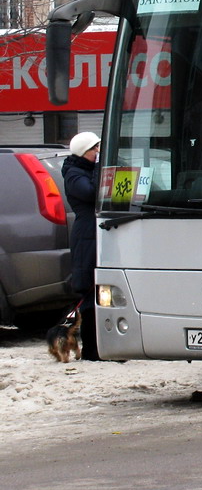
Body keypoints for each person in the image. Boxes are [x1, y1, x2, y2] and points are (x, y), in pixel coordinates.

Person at [63, 131, 101, 361]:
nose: (97, 153)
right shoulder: (75, 174)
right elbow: (90, 193)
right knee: (88, 290)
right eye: (93, 149)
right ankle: (91, 350)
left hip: (96, 232)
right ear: (81, 151)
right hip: (87, 235)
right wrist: (99, 169)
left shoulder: (84, 170)